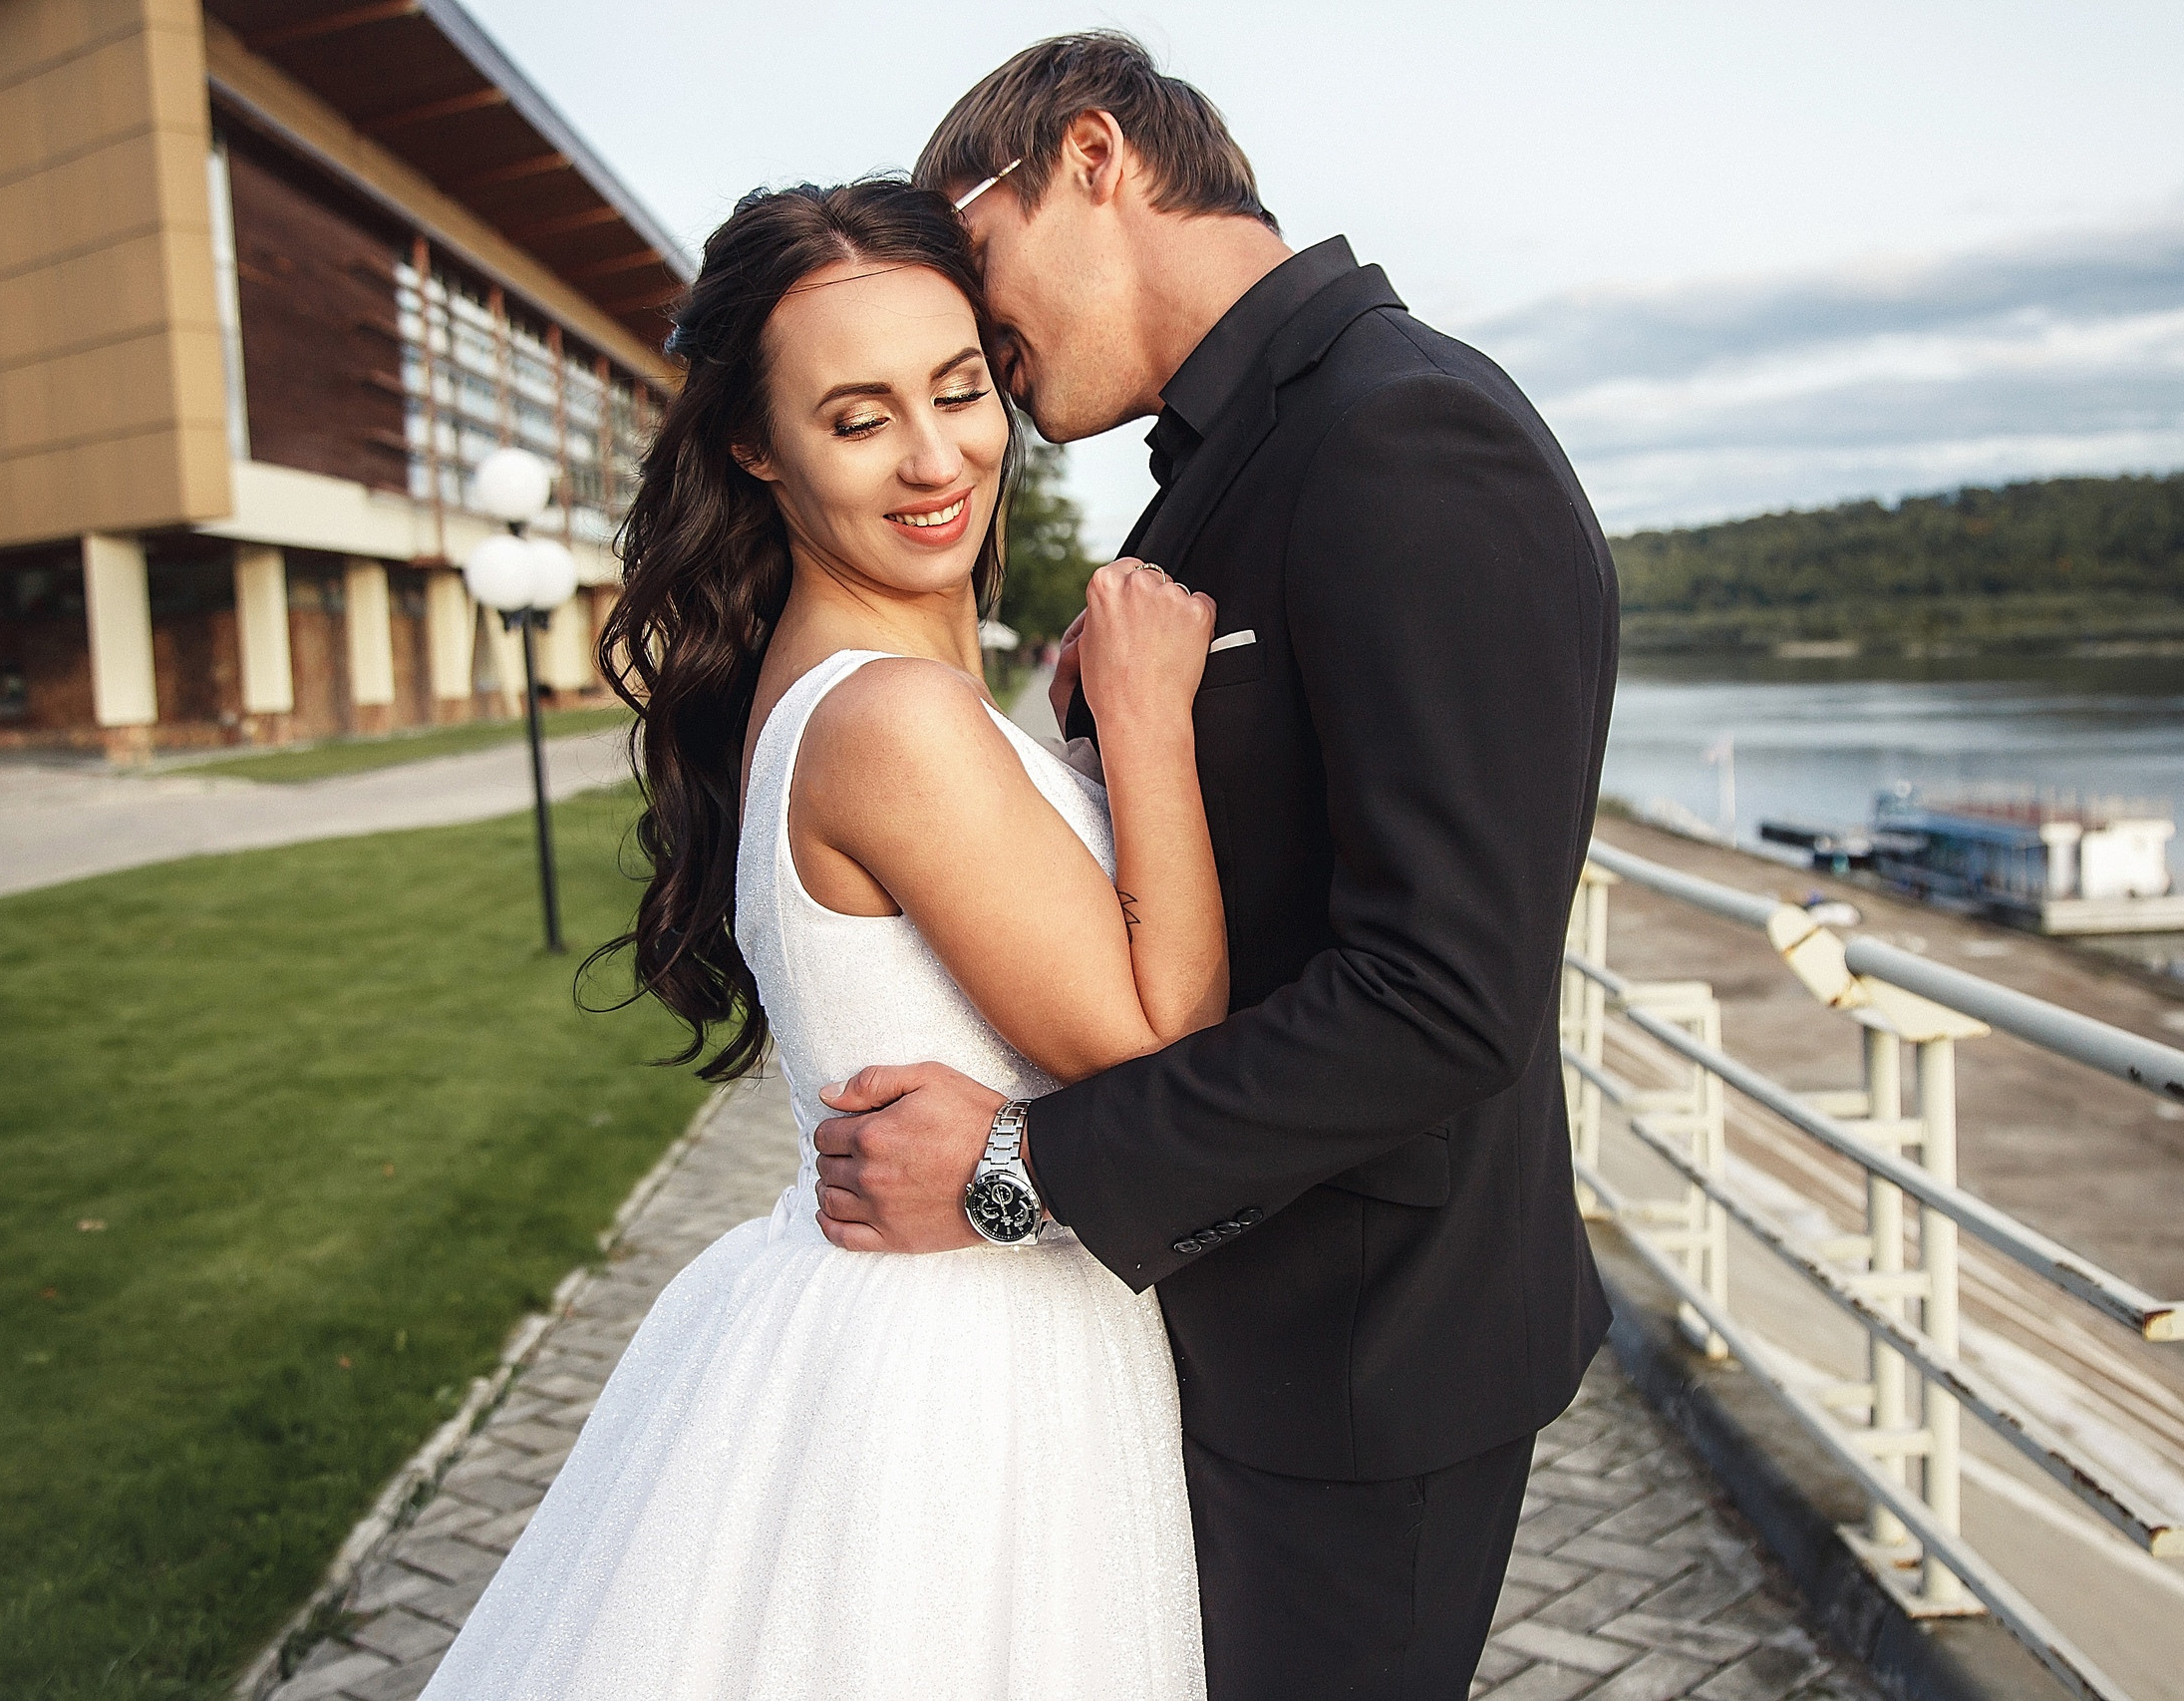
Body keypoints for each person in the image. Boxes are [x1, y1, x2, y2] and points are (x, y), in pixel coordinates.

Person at [812, 33, 1620, 1700]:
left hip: (1361, 1368)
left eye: (969, 262)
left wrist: (1019, 1166)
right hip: (1213, 1339)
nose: (974, 343)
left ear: (1092, 158)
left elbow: (1441, 1000)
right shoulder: (1217, 476)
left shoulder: (1410, 438)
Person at [420, 178, 1221, 1699]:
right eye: (858, 421)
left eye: (961, 388)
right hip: (959, 1382)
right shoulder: (892, 713)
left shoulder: (857, 684)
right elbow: (1161, 1051)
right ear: (754, 444)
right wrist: (1149, 719)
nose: (937, 460)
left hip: (912, 1319)